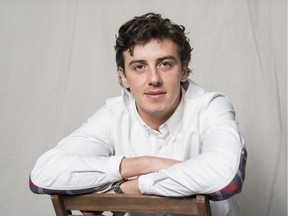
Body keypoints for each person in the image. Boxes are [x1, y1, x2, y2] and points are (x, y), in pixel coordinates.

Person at [30, 13, 247, 216]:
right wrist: (143, 164)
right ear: (123, 77)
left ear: (184, 70)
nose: (154, 79)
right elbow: (43, 174)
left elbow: (225, 178)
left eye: (165, 64)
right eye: (139, 66)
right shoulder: (113, 114)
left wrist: (131, 186)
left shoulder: (212, 106)